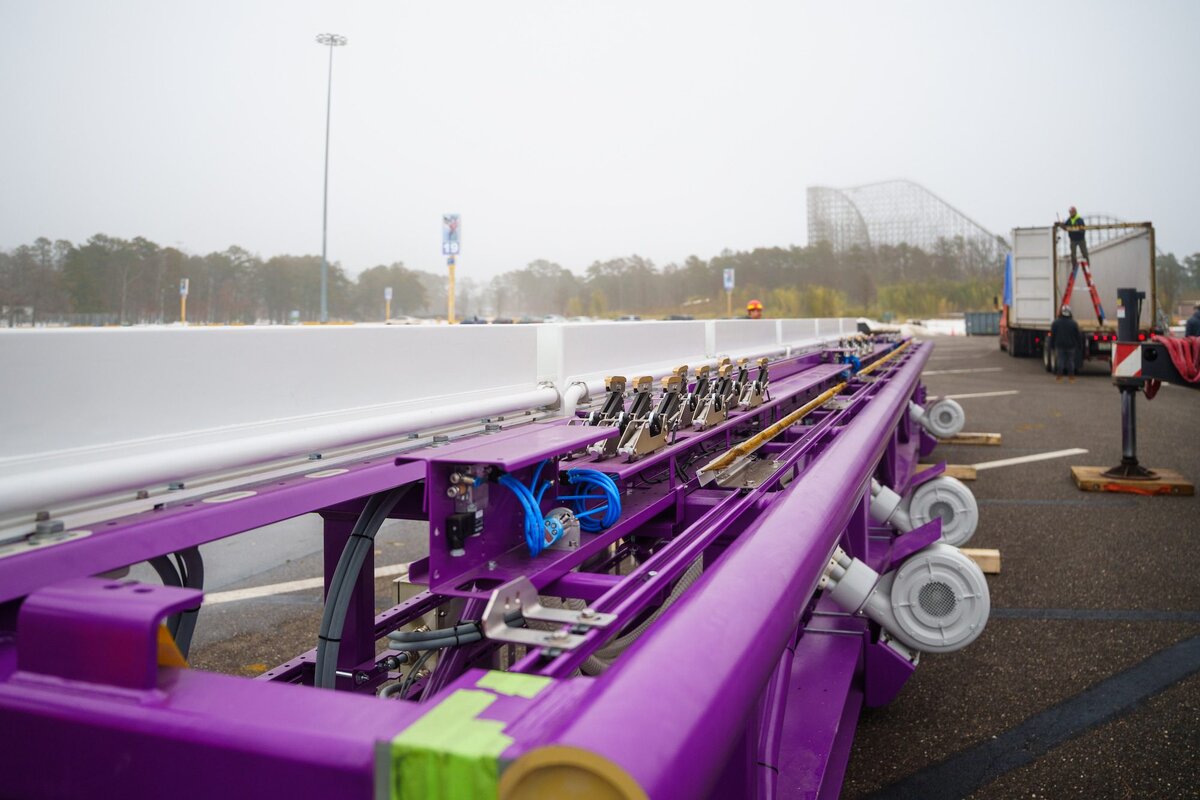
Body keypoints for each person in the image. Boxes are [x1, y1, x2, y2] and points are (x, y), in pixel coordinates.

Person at [1049, 305, 1083, 382]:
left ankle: (1059, 377)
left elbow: (1052, 335)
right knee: (1070, 361)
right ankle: (1071, 377)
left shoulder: (1056, 323)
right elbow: (1077, 336)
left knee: (1060, 360)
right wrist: (1080, 345)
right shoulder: (1073, 323)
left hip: (1059, 345)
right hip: (1071, 345)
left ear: (1061, 312)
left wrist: (1052, 345)